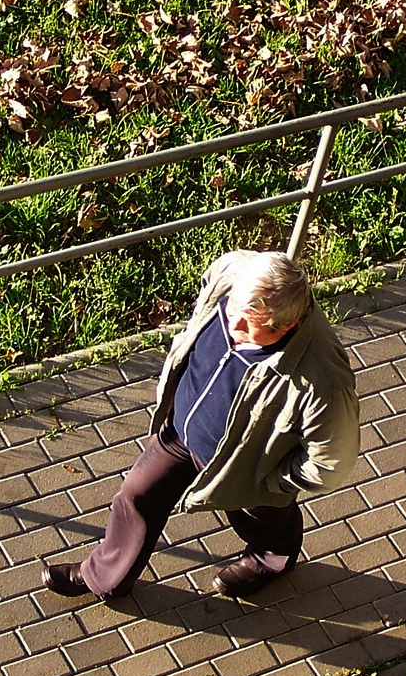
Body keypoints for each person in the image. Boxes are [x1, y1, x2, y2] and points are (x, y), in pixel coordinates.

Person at [41, 249, 360, 600]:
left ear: (288, 326)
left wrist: (269, 482)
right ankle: (104, 578)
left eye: (249, 323)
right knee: (136, 497)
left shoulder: (322, 376)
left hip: (245, 469)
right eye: (234, 312)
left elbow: (332, 461)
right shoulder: (235, 276)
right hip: (180, 431)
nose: (234, 327)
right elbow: (213, 281)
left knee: (262, 521)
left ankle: (272, 560)